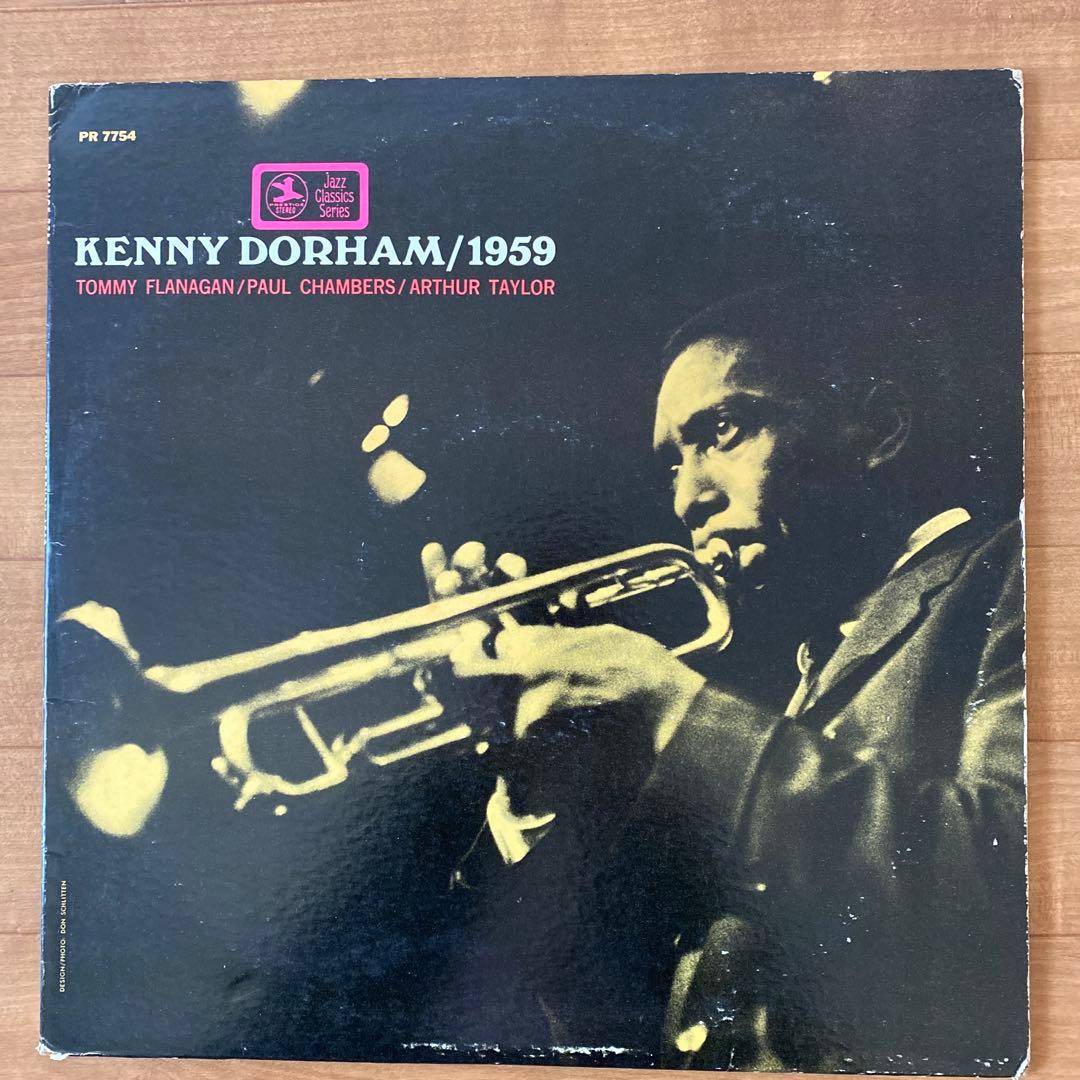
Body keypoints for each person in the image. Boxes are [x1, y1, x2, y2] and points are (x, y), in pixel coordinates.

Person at [420, 277, 1027, 1075]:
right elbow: (615, 1017)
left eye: (723, 431)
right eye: (673, 463)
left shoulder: (1023, 567)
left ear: (879, 429)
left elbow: (1016, 890)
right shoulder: (797, 675)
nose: (687, 497)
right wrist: (540, 789)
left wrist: (674, 712)